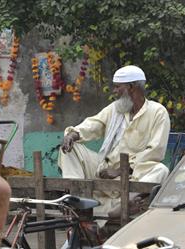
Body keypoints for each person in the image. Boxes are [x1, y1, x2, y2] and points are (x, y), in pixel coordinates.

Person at [58, 65, 170, 220]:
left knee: (161, 170)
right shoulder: (115, 109)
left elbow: (155, 150)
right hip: (103, 170)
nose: (114, 91)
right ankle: (77, 198)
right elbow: (94, 125)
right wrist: (73, 135)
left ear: (131, 87)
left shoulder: (158, 112)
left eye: (118, 87)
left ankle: (122, 205)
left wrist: (120, 170)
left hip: (134, 174)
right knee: (70, 149)